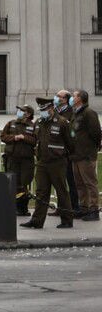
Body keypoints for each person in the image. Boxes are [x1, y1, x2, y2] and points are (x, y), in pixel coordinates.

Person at [22, 99, 75, 229]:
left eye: (44, 110)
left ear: (51, 108)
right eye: (41, 111)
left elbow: (71, 143)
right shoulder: (39, 123)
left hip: (57, 162)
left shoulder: (62, 122)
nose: (43, 113)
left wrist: (64, 157)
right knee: (41, 192)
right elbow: (36, 140)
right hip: (42, 163)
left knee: (61, 191)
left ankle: (67, 220)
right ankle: (37, 221)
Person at [70, 89, 100, 221]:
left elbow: (96, 133)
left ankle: (93, 210)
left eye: (74, 96)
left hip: (86, 155)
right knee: (80, 184)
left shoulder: (89, 113)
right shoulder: (75, 113)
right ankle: (84, 208)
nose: (72, 97)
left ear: (80, 99)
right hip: (76, 155)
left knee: (90, 183)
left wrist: (91, 150)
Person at [0, 105, 36, 215]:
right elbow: (3, 136)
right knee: (13, 183)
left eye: (22, 111)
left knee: (24, 184)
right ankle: (14, 207)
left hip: (26, 160)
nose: (19, 112)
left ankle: (23, 208)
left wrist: (24, 137)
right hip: (12, 158)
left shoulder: (33, 126)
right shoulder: (11, 123)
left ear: (28, 114)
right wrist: (14, 138)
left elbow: (36, 140)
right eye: (19, 110)